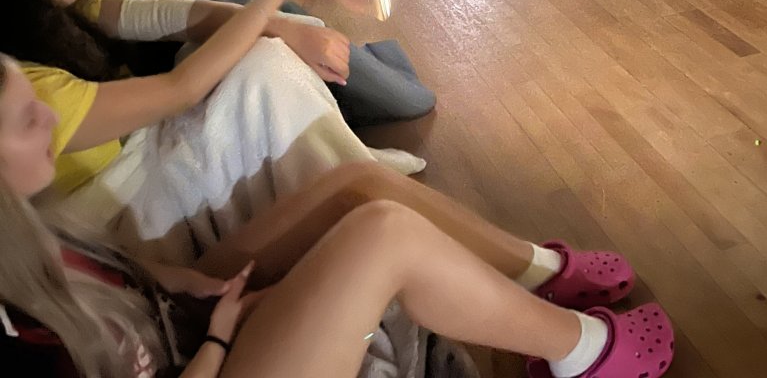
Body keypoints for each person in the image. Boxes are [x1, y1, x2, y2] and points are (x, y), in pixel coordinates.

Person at [0, 55, 676, 378]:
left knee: (357, 185)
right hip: (193, 360)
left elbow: (107, 273)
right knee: (384, 236)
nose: (53, 121)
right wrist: (221, 341)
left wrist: (185, 286)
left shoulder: (23, 231)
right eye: (29, 119)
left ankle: (538, 276)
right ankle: (587, 354)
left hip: (168, 326)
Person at [0, 0, 423, 262]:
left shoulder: (68, 10)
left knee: (251, 47)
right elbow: (180, 90)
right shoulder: (29, 88)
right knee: (260, 64)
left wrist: (281, 24)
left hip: (143, 162)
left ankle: (344, 178)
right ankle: (352, 195)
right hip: (130, 222)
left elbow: (179, 16)